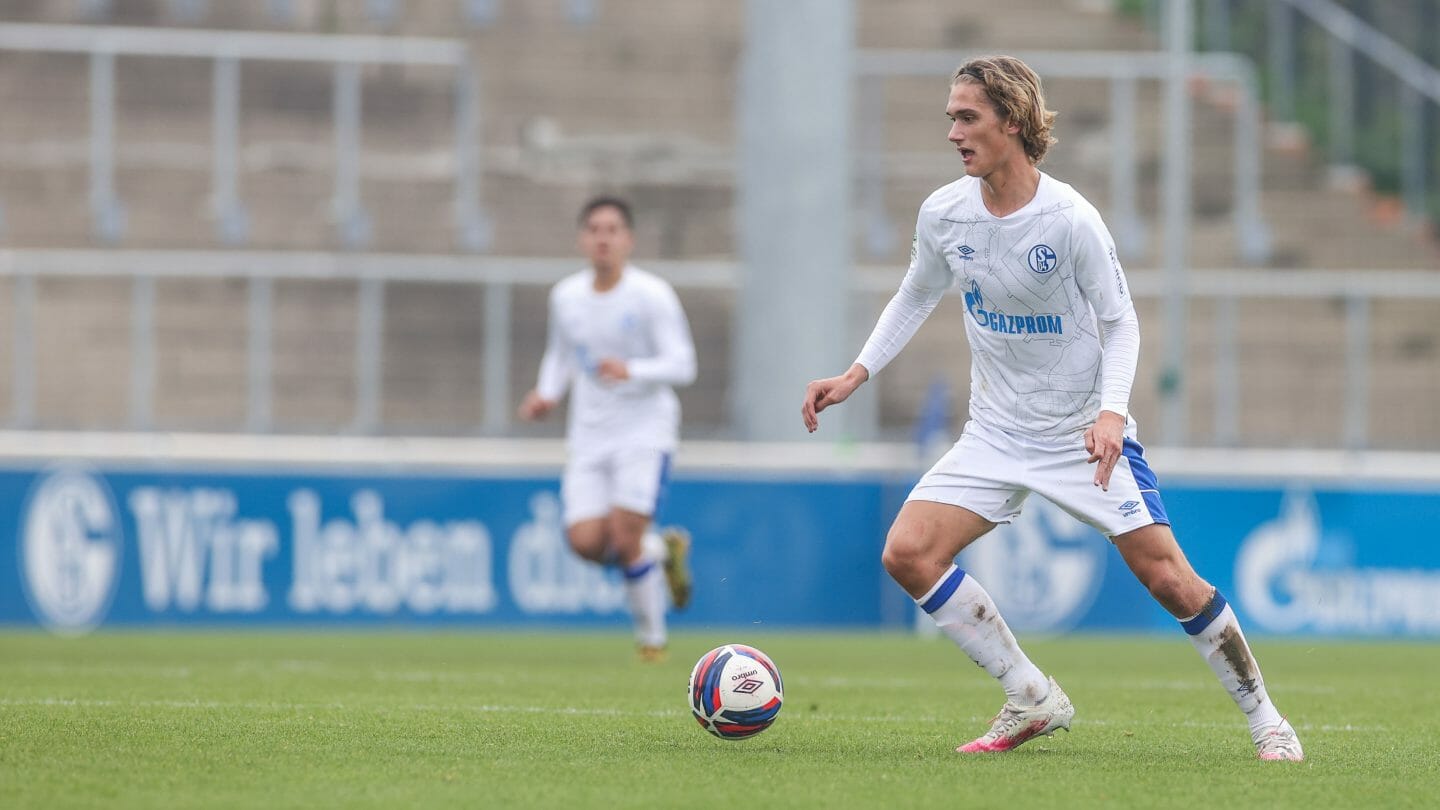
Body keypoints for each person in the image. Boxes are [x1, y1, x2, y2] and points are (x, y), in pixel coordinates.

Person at [800, 56, 1303, 761]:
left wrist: (1109, 413)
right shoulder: (945, 213)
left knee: (1168, 577)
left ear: (1011, 122)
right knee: (908, 552)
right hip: (996, 431)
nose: (953, 131)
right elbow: (916, 293)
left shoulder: (1070, 220)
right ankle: (1031, 695)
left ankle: (1268, 722)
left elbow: (1121, 322)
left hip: (1080, 432)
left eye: (966, 117)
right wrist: (856, 373)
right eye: (950, 116)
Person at [518, 196, 697, 662]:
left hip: (644, 429)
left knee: (623, 536)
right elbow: (561, 354)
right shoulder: (567, 297)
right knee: (585, 542)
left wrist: (632, 370)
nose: (603, 237)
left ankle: (652, 641)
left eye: (612, 229)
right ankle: (663, 550)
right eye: (594, 229)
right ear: (582, 239)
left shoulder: (651, 295)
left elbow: (683, 364)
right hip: (590, 433)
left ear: (628, 239)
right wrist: (546, 393)